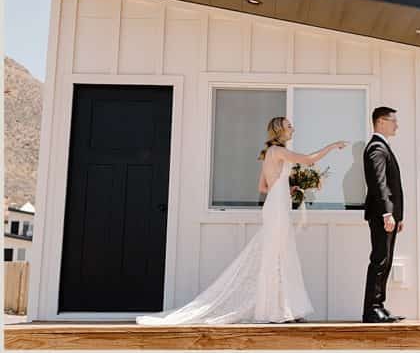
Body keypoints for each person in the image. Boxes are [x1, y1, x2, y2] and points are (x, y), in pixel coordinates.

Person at [137, 117, 344, 325]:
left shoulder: (269, 154)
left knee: (281, 255)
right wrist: (332, 146)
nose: (293, 128)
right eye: (289, 126)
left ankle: (285, 309)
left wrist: (284, 188)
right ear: (279, 130)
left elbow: (262, 188)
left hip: (275, 205)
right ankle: (278, 311)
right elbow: (309, 160)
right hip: (277, 209)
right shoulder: (277, 151)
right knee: (278, 256)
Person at [362, 106, 404, 323]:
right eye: (393, 121)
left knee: (385, 261)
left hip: (389, 216)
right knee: (379, 260)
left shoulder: (383, 147)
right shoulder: (376, 148)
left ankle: (379, 306)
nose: (397, 125)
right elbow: (379, 184)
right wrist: (387, 214)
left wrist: (399, 216)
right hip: (381, 215)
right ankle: (371, 310)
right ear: (380, 122)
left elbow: (393, 185)